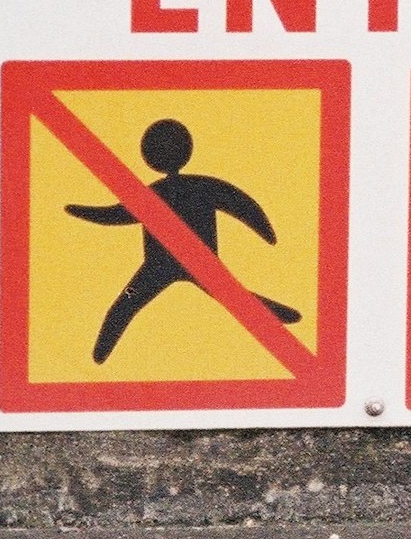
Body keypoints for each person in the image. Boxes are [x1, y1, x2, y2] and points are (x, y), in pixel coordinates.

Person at [69, 117, 298, 363]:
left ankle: (100, 354)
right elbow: (240, 204)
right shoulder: (202, 186)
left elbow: (113, 214)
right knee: (237, 299)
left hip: (160, 267)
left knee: (124, 305)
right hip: (192, 264)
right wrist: (265, 232)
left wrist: (81, 211)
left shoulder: (154, 193)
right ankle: (99, 355)